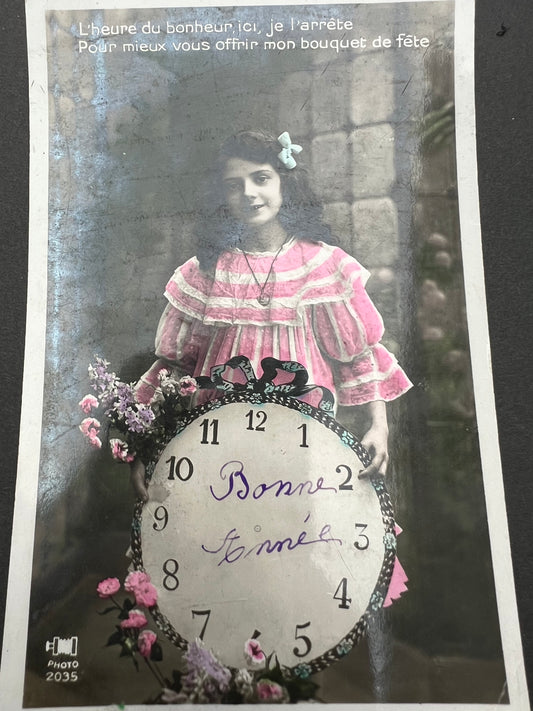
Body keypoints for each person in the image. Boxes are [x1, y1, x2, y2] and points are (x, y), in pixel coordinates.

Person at [131, 130, 412, 510]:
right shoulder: (205, 272)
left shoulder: (321, 265)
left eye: (261, 178)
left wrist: (379, 426)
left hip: (304, 443)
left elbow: (358, 356)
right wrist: (145, 444)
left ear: (284, 183)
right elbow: (174, 369)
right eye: (234, 185)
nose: (248, 193)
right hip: (215, 443)